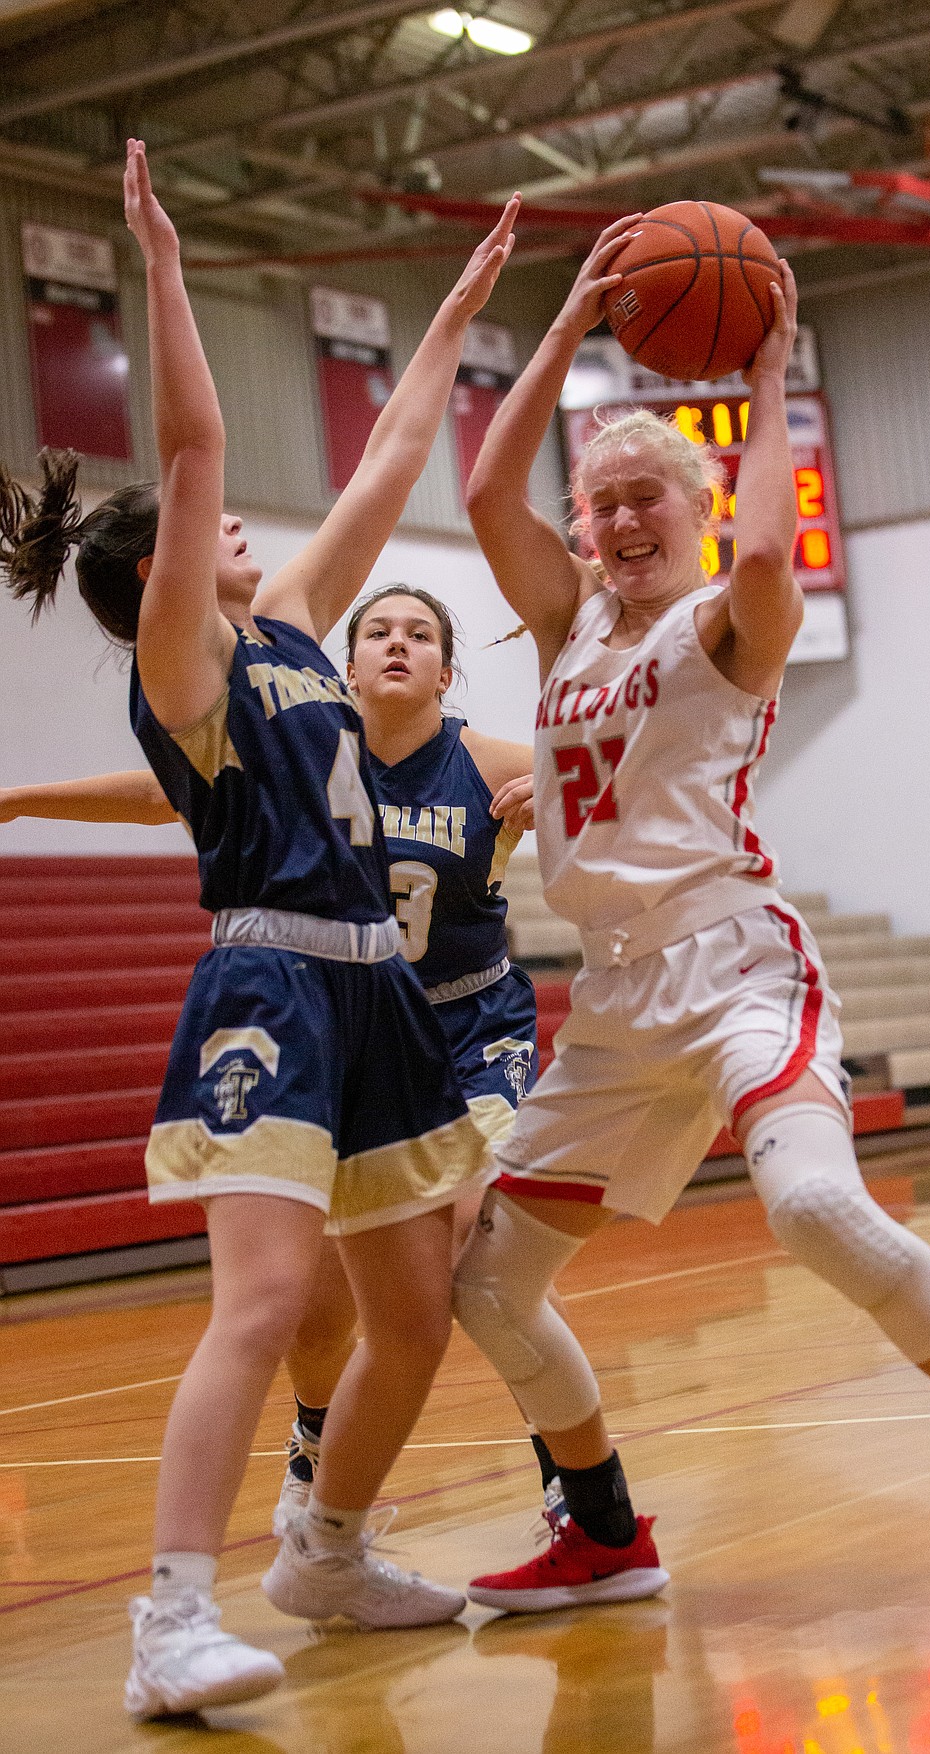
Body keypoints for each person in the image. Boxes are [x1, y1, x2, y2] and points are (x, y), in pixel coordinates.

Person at [450, 218, 930, 1612]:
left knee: (813, 1203)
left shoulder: (722, 621)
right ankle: (605, 1529)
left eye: (650, 495)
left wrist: (764, 376)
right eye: (605, 499)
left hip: (735, 959)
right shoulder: (569, 618)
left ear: (688, 514)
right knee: (490, 1286)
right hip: (616, 999)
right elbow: (477, 489)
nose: (624, 517)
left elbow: (766, 554)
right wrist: (569, 323)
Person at [0, 140, 516, 1716]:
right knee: (269, 1301)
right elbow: (196, 433)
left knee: (415, 1322)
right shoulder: (184, 659)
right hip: (271, 984)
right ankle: (169, 1617)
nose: (240, 533)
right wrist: (157, 265)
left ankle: (328, 1548)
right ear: (160, 567)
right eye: (210, 529)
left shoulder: (292, 630)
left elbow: (385, 467)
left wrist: (456, 314)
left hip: (387, 1000)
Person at [0, 583, 569, 1529]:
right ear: (345, 665)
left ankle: (564, 1473)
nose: (397, 645)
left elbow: (621, 780)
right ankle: (312, 1448)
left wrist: (557, 801)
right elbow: (162, 790)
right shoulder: (305, 743)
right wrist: (21, 799)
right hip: (350, 1027)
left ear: (447, 670)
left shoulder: (486, 759)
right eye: (378, 631)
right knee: (318, 1308)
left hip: (472, 1033)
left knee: (468, 1249)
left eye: (419, 635)